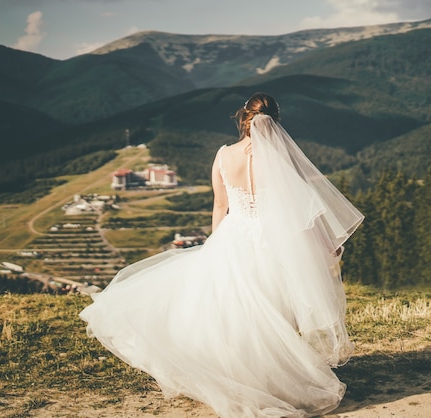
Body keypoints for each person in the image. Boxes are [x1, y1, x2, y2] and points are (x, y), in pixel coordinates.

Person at [79, 92, 364, 417]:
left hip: (235, 236)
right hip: (275, 240)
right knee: (274, 309)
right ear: (276, 121)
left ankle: (243, 375)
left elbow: (220, 205)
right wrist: (326, 242)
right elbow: (301, 205)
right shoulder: (281, 156)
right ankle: (272, 375)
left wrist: (215, 244)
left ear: (244, 119)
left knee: (236, 312)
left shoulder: (224, 155)